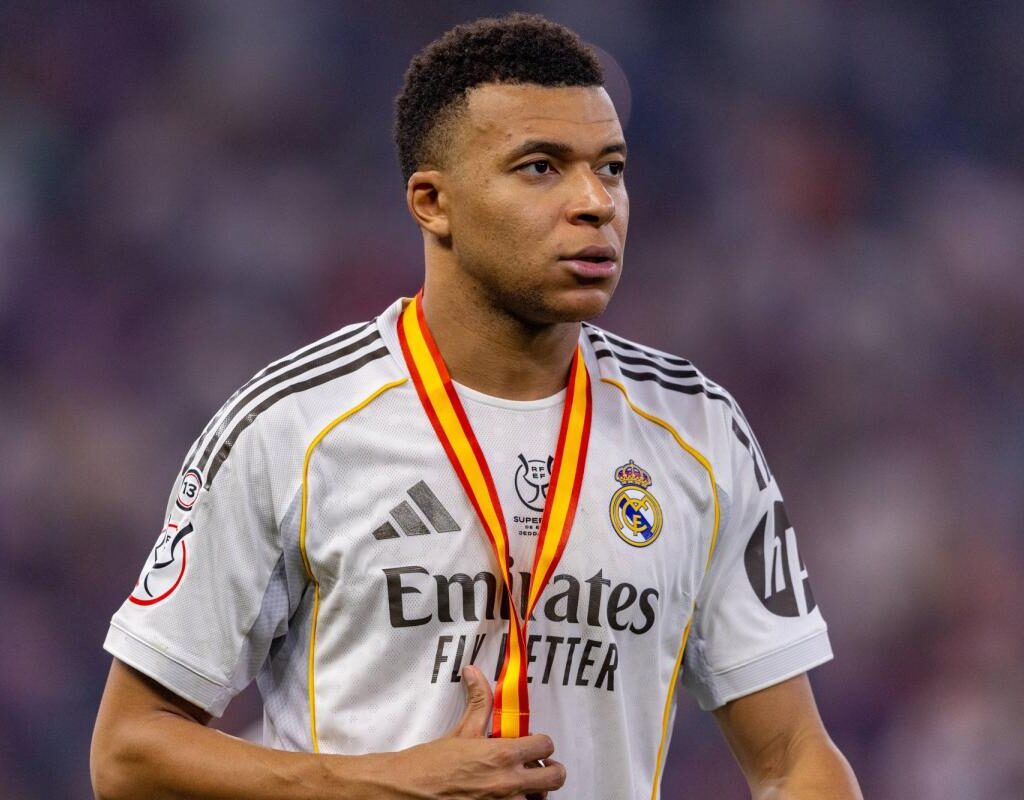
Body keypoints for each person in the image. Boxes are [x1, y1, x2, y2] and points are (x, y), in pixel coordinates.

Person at [91, 13, 862, 800]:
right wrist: (379, 785)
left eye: (612, 168)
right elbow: (128, 752)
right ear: (433, 201)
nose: (596, 202)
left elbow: (795, 758)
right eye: (541, 168)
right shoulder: (292, 427)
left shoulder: (699, 430)